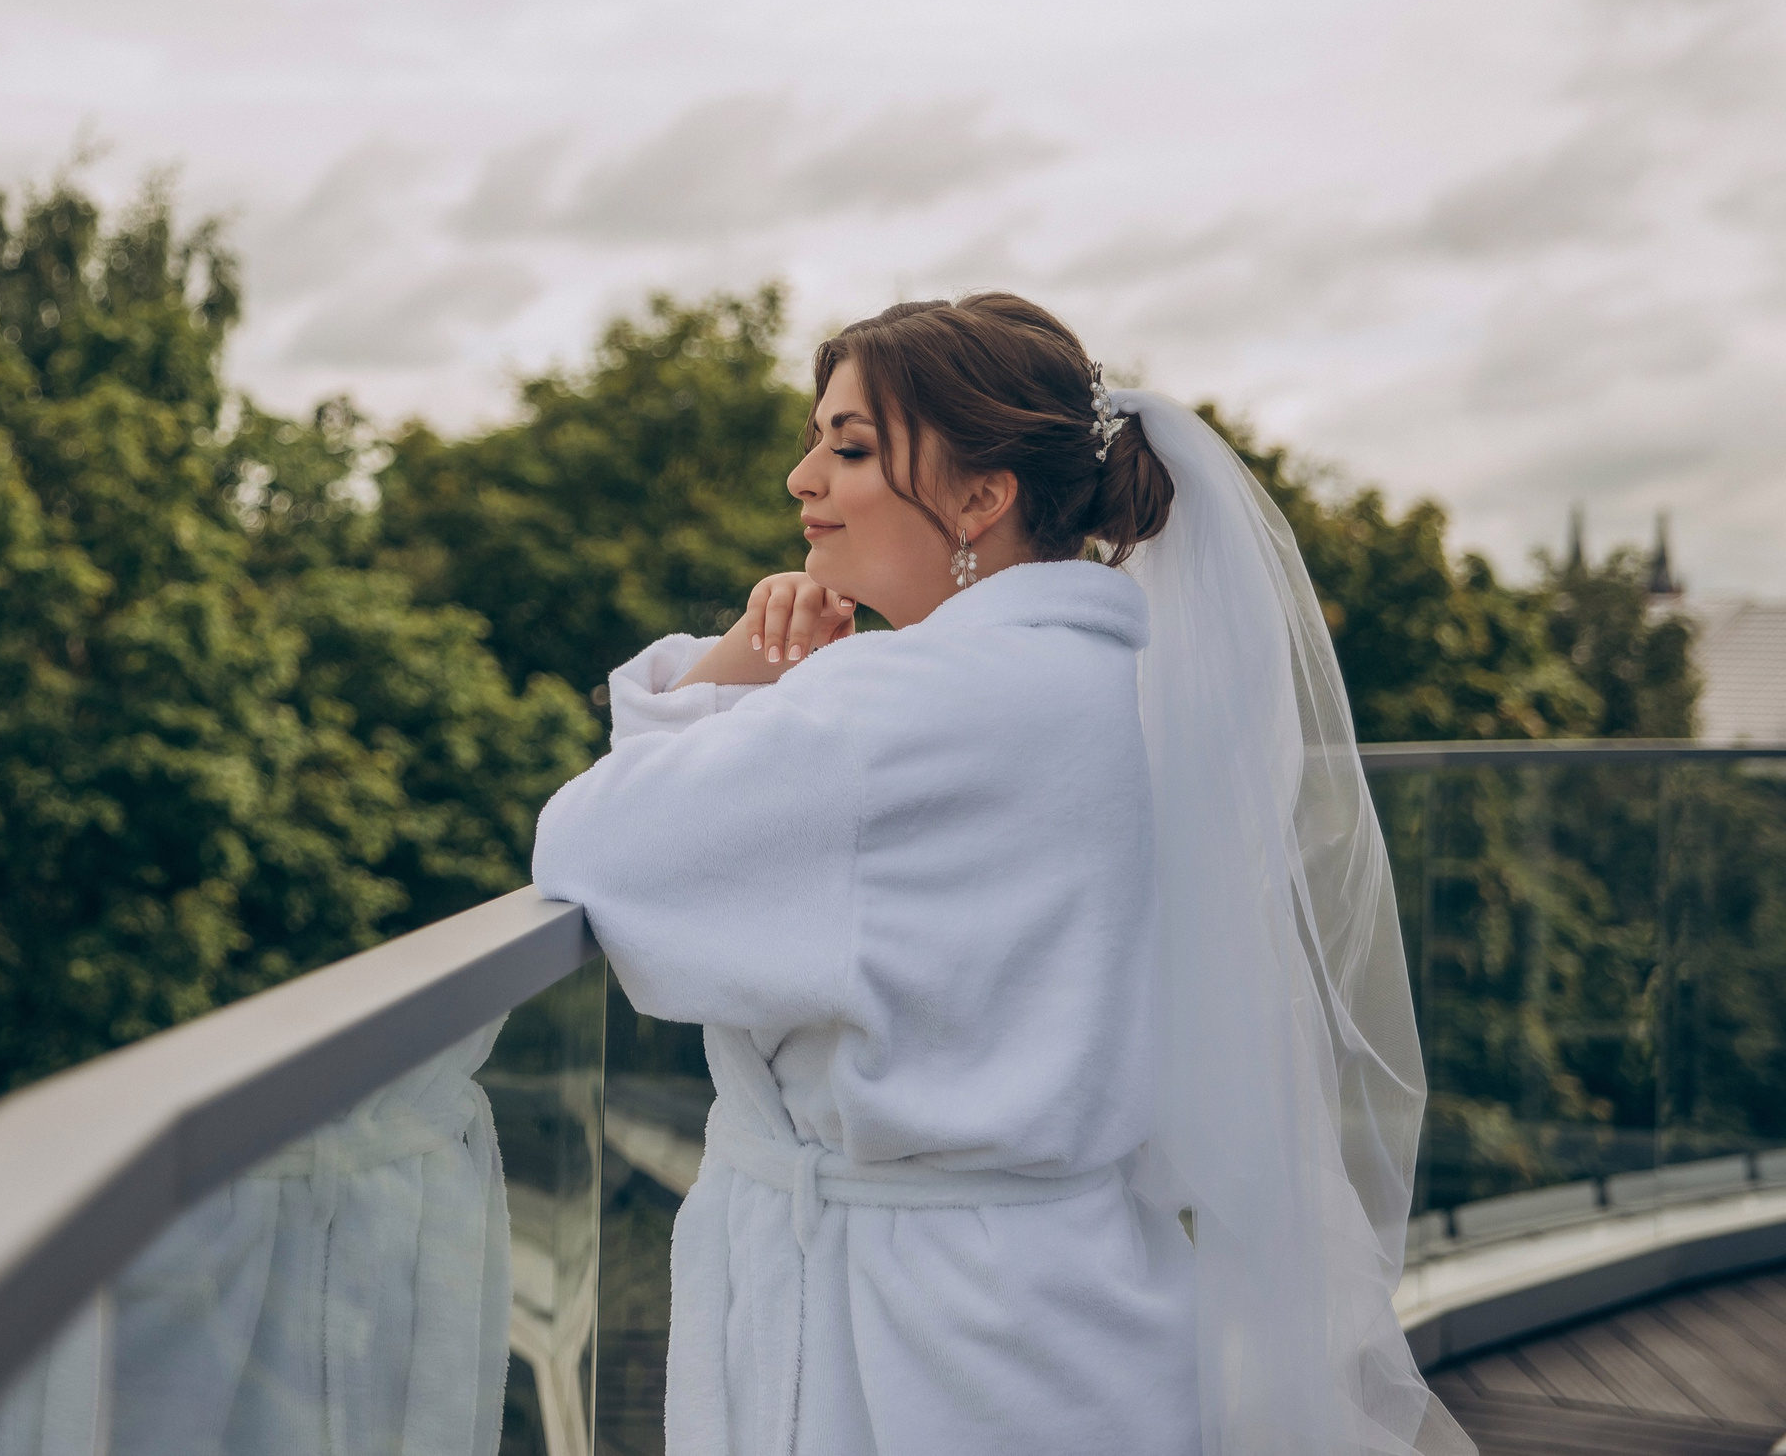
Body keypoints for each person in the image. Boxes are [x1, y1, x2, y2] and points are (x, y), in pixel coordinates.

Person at [532, 295, 1469, 1456]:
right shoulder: (1078, 682)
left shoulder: (902, 703)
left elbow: (592, 846)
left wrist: (734, 670)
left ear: (983, 496)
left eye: (850, 445)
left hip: (913, 1345)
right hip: (1055, 1304)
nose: (799, 477)